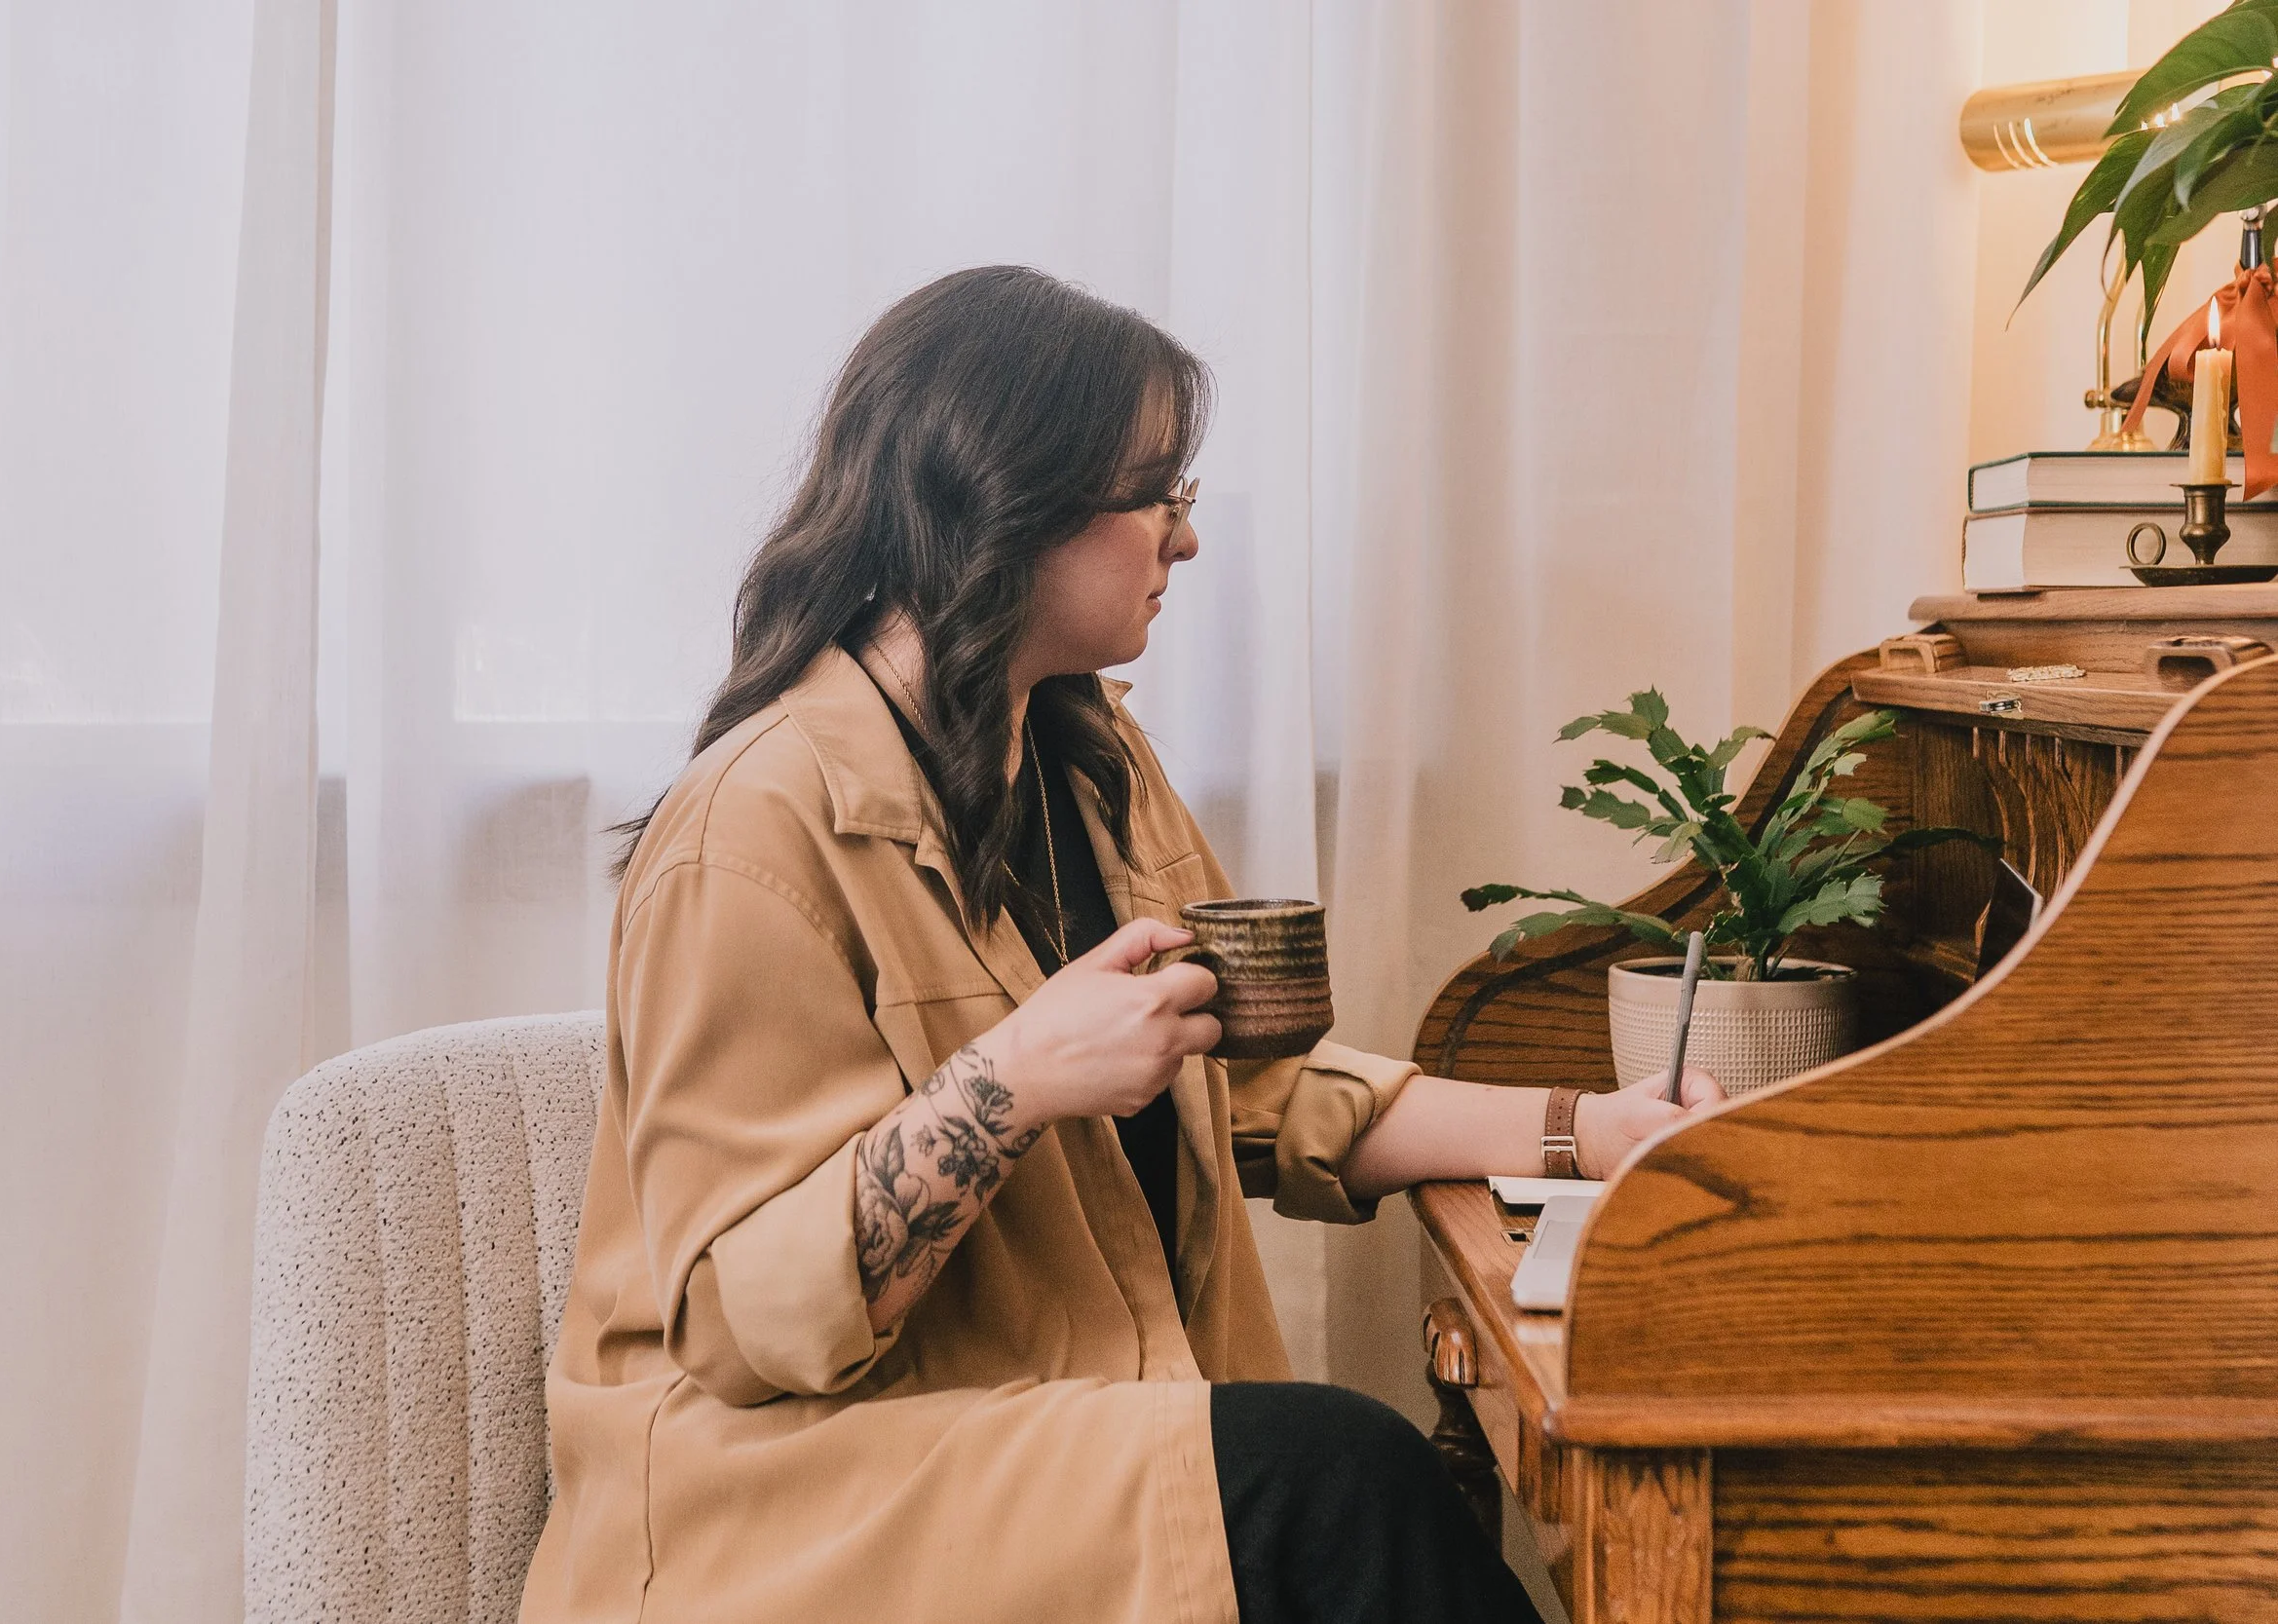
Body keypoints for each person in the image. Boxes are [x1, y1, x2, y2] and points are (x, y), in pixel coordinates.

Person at [520, 266, 1724, 1624]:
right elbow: (749, 1329)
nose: (1187, 539)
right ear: (1008, 506)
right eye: (1159, 494)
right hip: (800, 1502)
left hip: (1034, 1445)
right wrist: (1016, 1078)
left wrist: (1585, 1130)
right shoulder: (748, 829)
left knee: (1345, 1482)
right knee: (1339, 1477)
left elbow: (1259, 1087)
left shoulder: (1092, 764)